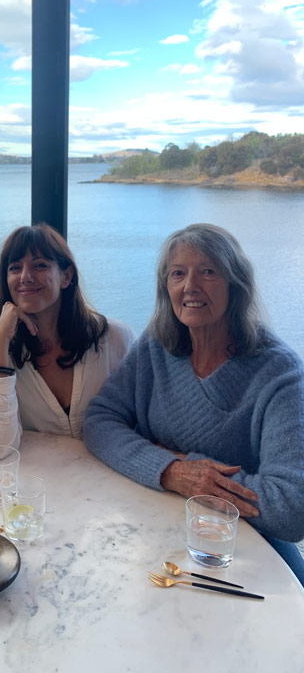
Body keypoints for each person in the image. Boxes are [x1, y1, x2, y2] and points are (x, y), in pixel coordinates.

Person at [84, 223, 304, 583]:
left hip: (241, 550)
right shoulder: (158, 343)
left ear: (236, 285)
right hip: (156, 523)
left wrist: (199, 474)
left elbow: (292, 508)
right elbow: (99, 421)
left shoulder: (279, 371)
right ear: (165, 287)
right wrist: (170, 470)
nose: (190, 286)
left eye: (208, 272)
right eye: (178, 274)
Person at [0, 223, 134, 448]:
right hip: (39, 480)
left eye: (39, 265)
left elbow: (137, 424)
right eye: (15, 268)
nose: (25, 277)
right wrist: (1, 343)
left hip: (109, 474)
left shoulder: (114, 338)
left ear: (66, 276)